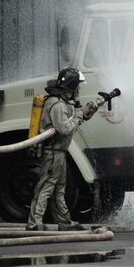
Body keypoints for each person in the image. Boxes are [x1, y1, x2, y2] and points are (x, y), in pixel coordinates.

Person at [26, 68, 99, 231]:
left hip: (59, 153)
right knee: (46, 187)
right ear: (71, 86)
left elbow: (72, 119)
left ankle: (64, 222)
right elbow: (65, 128)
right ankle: (33, 223)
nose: (79, 90)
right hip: (53, 153)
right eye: (77, 86)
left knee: (59, 188)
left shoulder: (63, 103)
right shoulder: (57, 104)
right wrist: (80, 116)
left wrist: (87, 111)